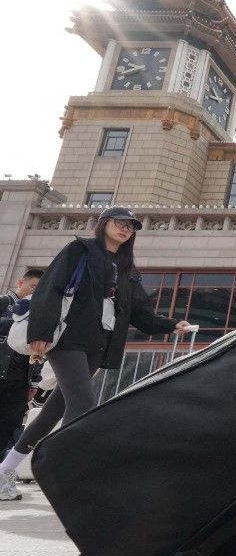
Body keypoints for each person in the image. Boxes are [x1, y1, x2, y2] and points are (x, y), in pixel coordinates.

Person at [0, 207, 191, 501]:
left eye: (131, 226)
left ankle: (4, 471)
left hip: (98, 341)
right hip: (68, 337)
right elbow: (50, 288)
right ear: (103, 224)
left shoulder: (127, 268)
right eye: (120, 222)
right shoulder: (80, 250)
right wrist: (41, 332)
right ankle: (69, 478)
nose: (126, 228)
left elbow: (138, 311)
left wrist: (170, 324)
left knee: (56, 408)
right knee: (83, 402)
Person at [0, 270, 44, 471]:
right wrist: (19, 321)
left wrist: (34, 382)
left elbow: (38, 351)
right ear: (20, 282)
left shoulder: (38, 311)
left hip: (20, 381)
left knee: (10, 427)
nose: (35, 292)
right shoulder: (4, 303)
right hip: (2, 375)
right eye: (33, 287)